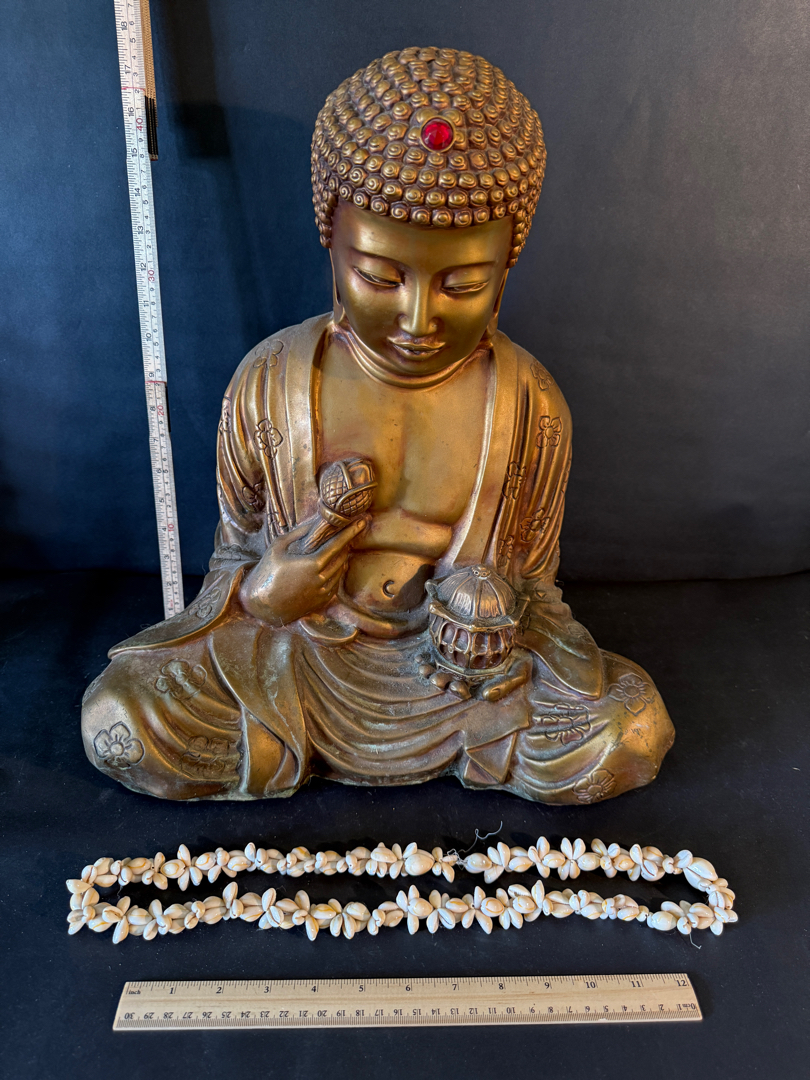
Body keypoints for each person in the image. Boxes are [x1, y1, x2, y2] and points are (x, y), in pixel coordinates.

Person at [82, 47, 674, 803]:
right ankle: (325, 738)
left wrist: (494, 614)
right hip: (298, 657)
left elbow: (538, 588)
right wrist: (264, 595)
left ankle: (457, 739)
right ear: (332, 244)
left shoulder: (532, 406)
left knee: (630, 728)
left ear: (505, 269)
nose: (417, 320)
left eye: (462, 284)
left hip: (461, 678)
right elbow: (234, 555)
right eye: (380, 277)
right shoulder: (270, 381)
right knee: (122, 714)